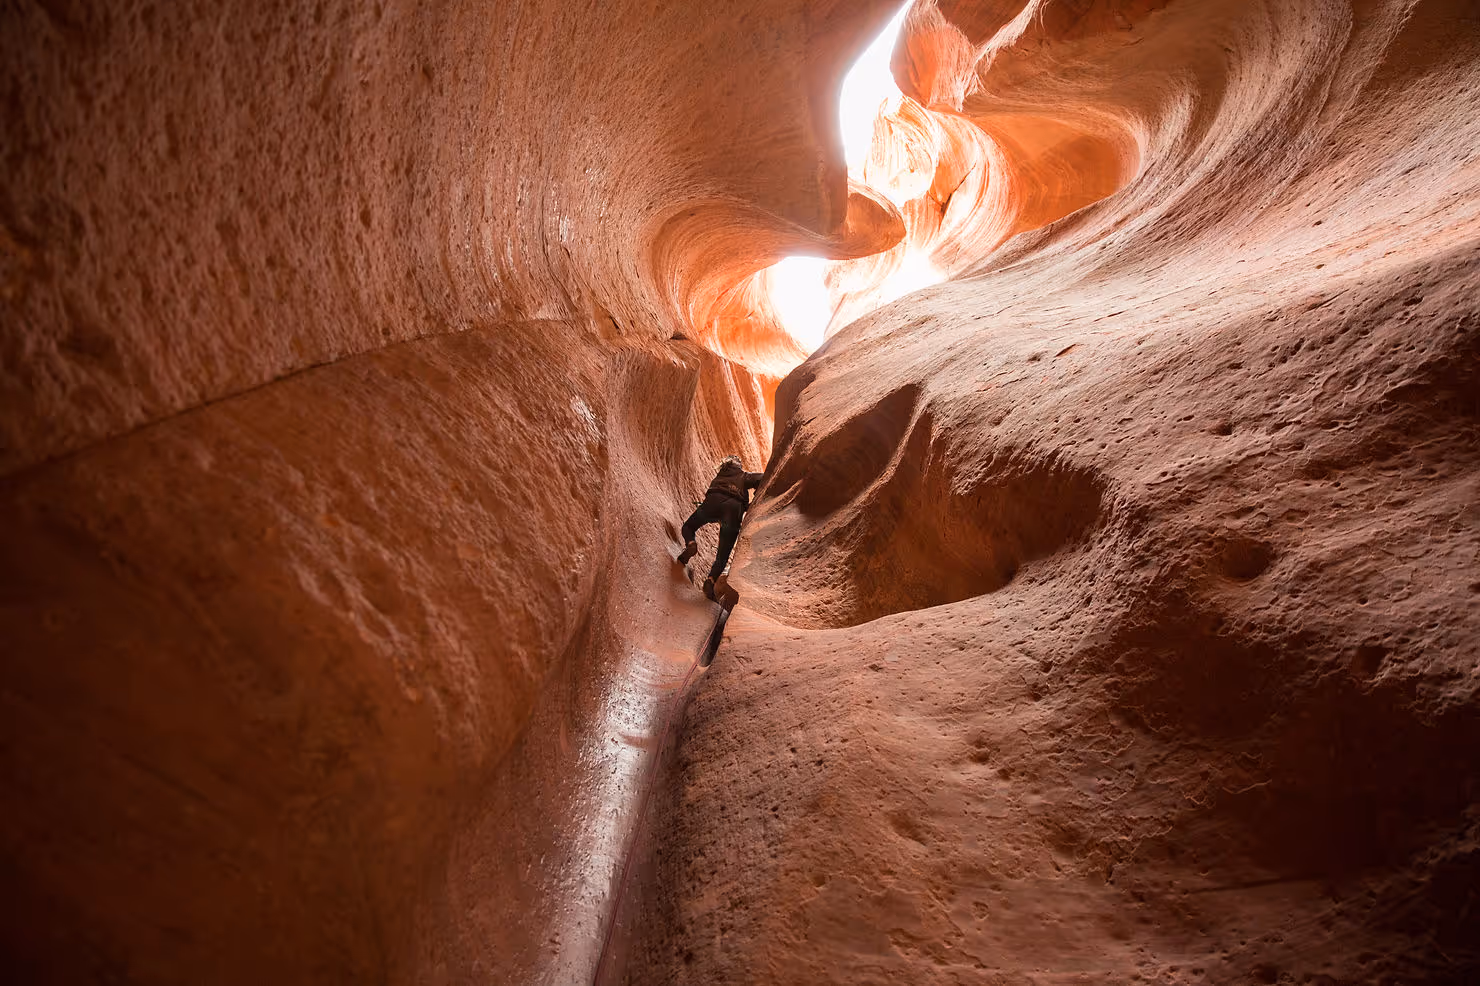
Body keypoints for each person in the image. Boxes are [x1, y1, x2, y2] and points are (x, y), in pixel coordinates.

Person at [678, 455, 763, 600]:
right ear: (738, 466)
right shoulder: (743, 476)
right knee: (723, 555)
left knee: (689, 527)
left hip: (713, 501)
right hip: (733, 509)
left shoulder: (720, 474)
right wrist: (753, 501)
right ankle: (710, 580)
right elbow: (761, 478)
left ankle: (691, 544)